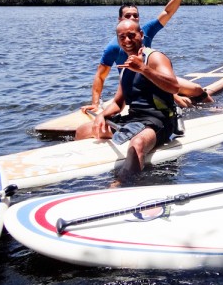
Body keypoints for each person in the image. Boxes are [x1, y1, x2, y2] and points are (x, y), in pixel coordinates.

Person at [81, 0, 211, 115]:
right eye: (127, 16)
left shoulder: (145, 31)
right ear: (120, 19)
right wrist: (95, 104)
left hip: (156, 77)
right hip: (134, 86)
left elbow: (168, 12)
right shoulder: (113, 47)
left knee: (197, 90)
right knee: (178, 101)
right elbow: (100, 75)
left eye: (135, 16)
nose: (132, 18)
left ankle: (217, 111)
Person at [76, 19, 180, 183]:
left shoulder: (155, 58)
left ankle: (121, 185)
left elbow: (174, 87)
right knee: (84, 130)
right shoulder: (125, 66)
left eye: (131, 35)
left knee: (137, 143)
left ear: (141, 35)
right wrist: (102, 116)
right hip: (134, 119)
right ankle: (81, 173)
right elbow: (118, 103)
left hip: (159, 121)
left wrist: (143, 69)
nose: (127, 41)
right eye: (122, 37)